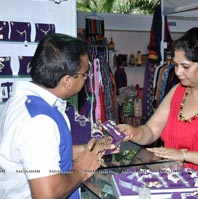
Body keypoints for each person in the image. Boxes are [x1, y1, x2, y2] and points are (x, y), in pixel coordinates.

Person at [118, 27, 198, 188]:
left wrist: (184, 155)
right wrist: (134, 132)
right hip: (181, 185)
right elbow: (151, 130)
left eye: (185, 66)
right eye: (176, 65)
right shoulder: (177, 92)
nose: (178, 72)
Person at [0, 33, 116, 199]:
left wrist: (89, 149)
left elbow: (42, 155)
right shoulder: (39, 122)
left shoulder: (26, 102)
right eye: (84, 75)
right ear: (67, 81)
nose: (85, 80)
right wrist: (82, 169)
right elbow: (47, 194)